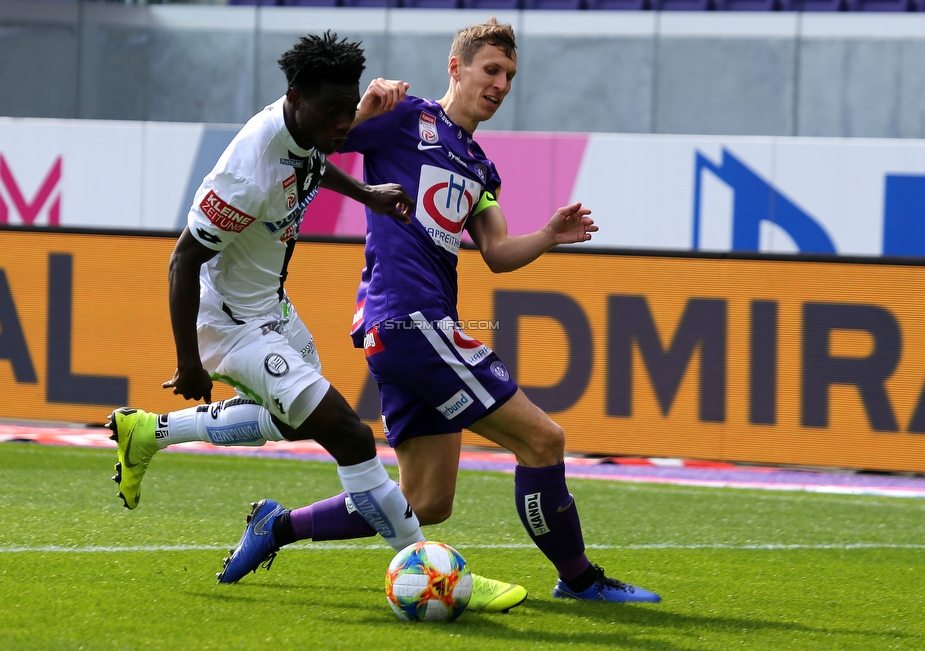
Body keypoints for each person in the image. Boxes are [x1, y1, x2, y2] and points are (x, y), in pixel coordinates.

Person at [221, 18, 662, 604]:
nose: (501, 84)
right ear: (456, 67)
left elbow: (499, 254)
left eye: (509, 75)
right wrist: (371, 107)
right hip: (411, 320)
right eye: (490, 70)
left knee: (428, 502)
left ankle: (276, 526)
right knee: (543, 441)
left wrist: (549, 235)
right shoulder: (408, 118)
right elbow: (318, 138)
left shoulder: (480, 166)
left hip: (406, 331)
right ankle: (580, 580)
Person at [107, 30, 525, 611]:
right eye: (332, 112)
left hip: (272, 310)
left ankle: (150, 432)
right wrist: (189, 363)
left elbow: (311, 161)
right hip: (228, 324)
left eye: (347, 110)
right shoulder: (245, 172)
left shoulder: (307, 126)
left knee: (296, 421)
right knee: (349, 434)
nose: (342, 126)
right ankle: (437, 573)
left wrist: (366, 194)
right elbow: (183, 260)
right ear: (296, 96)